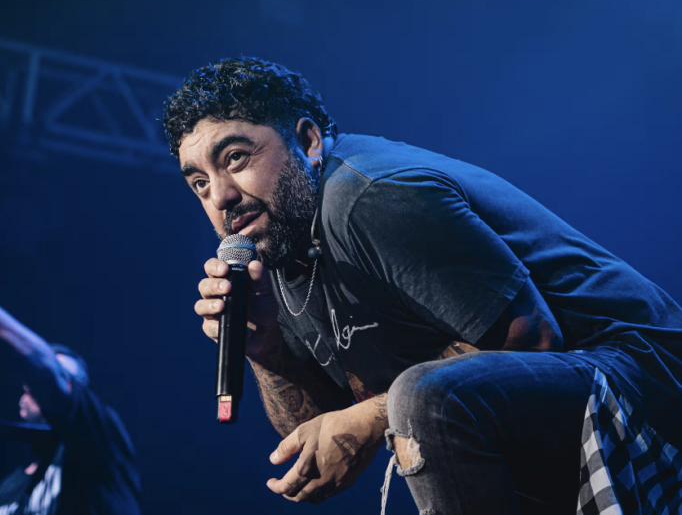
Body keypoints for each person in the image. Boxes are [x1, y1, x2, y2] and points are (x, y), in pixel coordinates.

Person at [164, 57, 682, 514]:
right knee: (416, 402)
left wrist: (375, 413)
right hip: (539, 411)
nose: (221, 197)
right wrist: (265, 345)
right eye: (199, 182)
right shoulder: (278, 242)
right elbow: (327, 427)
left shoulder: (366, 197)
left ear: (308, 141)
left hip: (642, 374)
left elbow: (532, 338)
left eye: (236, 158)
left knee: (420, 399)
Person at [0, 262, 141, 515]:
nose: (37, 386)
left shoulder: (99, 452)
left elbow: (47, 371)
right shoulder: (5, 491)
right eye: (32, 381)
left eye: (61, 378)